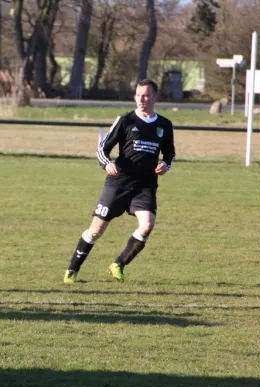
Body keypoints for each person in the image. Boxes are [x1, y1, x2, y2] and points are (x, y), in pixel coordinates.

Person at [63, 79, 176, 283]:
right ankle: (72, 270)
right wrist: (106, 164)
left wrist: (166, 164)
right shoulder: (125, 120)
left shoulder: (164, 125)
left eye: (146, 95)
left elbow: (170, 151)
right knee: (96, 230)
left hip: (145, 185)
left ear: (155, 98)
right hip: (119, 182)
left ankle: (118, 264)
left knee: (148, 225)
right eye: (138, 95)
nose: (142, 99)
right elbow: (102, 149)